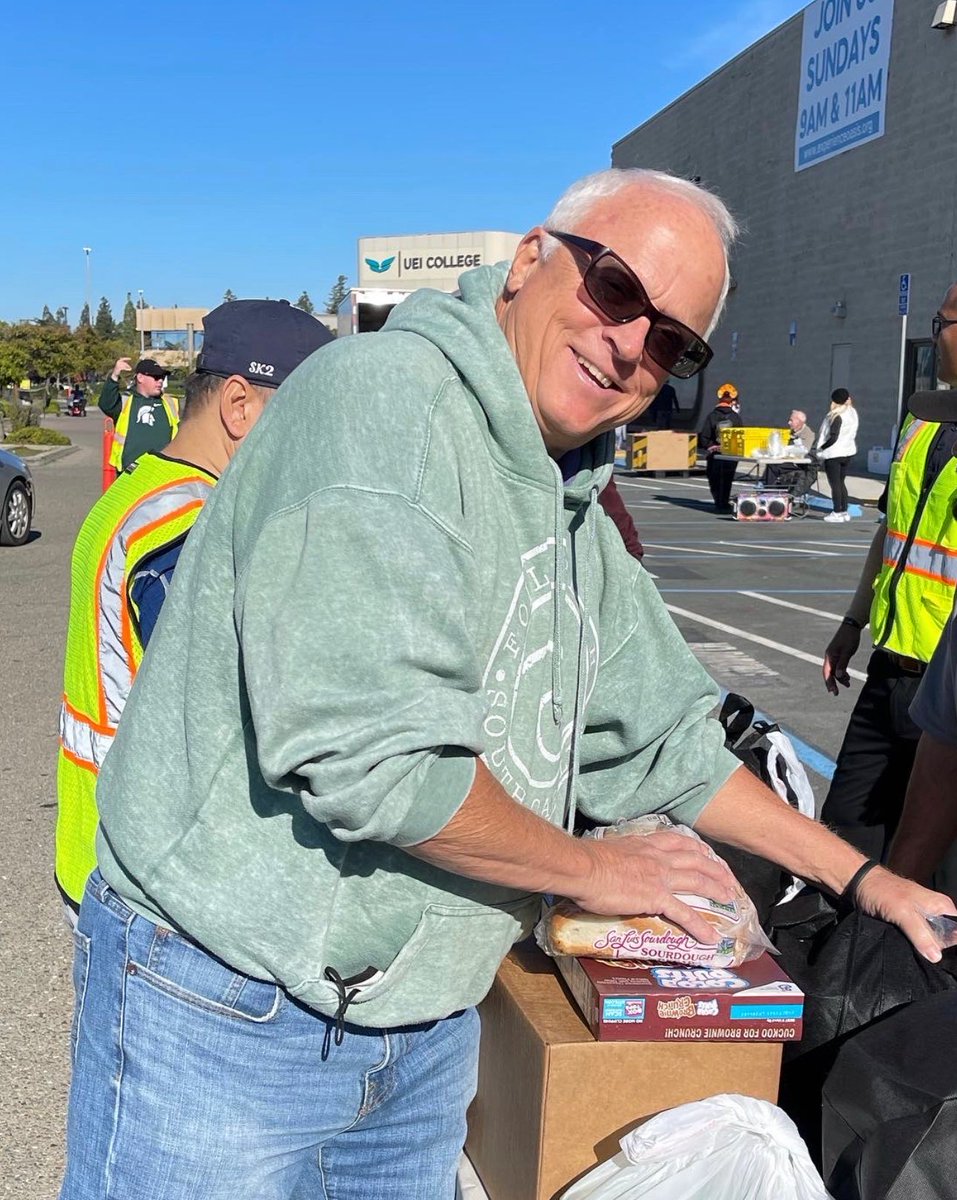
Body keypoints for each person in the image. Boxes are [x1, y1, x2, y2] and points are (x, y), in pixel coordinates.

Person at [62, 168, 950, 1200]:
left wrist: (866, 880)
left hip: (422, 1035)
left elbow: (666, 742)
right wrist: (592, 868)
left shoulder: (569, 491)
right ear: (530, 260)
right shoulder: (383, 407)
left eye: (673, 342)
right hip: (226, 1009)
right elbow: (375, 762)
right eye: (617, 290)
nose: (632, 344)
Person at [55, 299, 332, 914]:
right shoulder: (191, 527)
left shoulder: (142, 492)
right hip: (149, 875)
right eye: (309, 417)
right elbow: (232, 708)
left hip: (96, 849)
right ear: (240, 406)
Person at [821, 283, 957, 872]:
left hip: (945, 691)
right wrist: (853, 621)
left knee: (934, 877)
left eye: (941, 322)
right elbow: (892, 531)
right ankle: (839, 962)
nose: (934, 335)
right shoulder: (922, 418)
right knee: (843, 848)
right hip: (890, 668)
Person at [98, 356, 176, 472]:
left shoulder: (171, 403)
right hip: (130, 472)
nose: (160, 381)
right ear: (140, 378)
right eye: (155, 377)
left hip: (163, 472)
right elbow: (106, 403)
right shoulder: (126, 402)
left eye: (162, 377)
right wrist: (115, 376)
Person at [815, 388, 858, 522]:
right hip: (847, 451)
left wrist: (821, 447)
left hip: (834, 453)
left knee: (835, 484)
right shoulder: (852, 412)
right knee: (841, 482)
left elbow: (833, 437)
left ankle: (837, 511)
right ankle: (844, 511)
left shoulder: (836, 415)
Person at [699, 381, 741, 513]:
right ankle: (724, 501)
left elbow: (704, 437)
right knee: (727, 479)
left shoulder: (711, 416)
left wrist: (711, 446)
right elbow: (741, 435)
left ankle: (718, 501)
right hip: (730, 454)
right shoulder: (735, 417)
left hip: (715, 454)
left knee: (714, 478)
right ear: (733, 400)